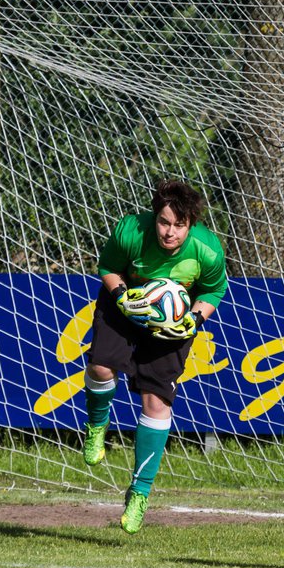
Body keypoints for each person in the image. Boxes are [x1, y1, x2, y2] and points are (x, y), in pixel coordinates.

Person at [82, 179, 228, 534]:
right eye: (164, 222)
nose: (170, 232)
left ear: (191, 224)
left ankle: (139, 493)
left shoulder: (207, 251)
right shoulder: (130, 231)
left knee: (156, 402)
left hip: (173, 322)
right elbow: (108, 266)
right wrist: (121, 298)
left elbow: (214, 288)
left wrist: (193, 319)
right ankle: (97, 425)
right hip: (124, 304)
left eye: (179, 225)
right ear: (154, 217)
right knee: (100, 368)